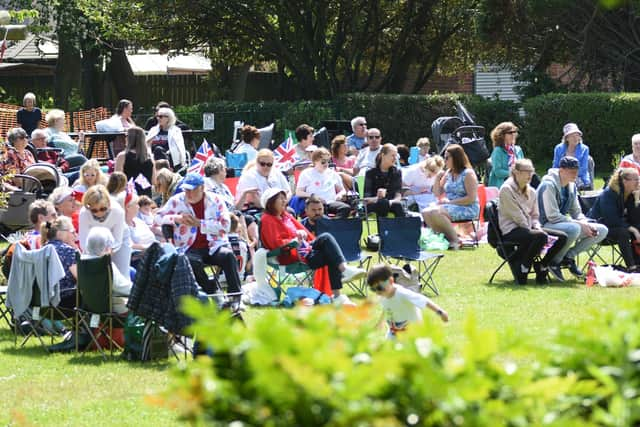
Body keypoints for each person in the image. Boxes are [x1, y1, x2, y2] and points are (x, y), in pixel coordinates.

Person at [259, 188, 365, 306]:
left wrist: (304, 237)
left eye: (284, 198)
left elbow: (303, 231)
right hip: (290, 256)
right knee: (326, 238)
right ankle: (344, 273)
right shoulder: (267, 219)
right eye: (280, 199)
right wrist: (294, 240)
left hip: (304, 249)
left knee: (329, 251)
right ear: (270, 202)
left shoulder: (285, 216)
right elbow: (275, 244)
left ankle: (337, 294)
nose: (284, 201)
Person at [154, 173, 242, 296]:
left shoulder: (216, 200)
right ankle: (211, 291)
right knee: (191, 261)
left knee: (228, 256)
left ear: (202, 187)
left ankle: (235, 296)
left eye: (192, 190)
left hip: (214, 245)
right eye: (186, 190)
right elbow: (157, 218)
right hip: (188, 246)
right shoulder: (177, 200)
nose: (188, 193)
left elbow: (226, 226)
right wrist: (177, 218)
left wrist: (200, 223)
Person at [498, 159, 568, 284]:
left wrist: (536, 226)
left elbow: (535, 215)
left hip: (528, 227)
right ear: (516, 172)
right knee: (541, 236)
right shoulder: (506, 190)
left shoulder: (531, 191)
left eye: (532, 171)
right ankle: (524, 268)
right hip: (511, 230)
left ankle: (543, 265)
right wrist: (534, 230)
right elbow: (517, 217)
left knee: (562, 237)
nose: (531, 175)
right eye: (527, 171)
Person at [537, 156, 608, 279]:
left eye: (576, 171)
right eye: (571, 171)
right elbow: (552, 216)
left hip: (562, 224)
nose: (575, 174)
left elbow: (576, 211)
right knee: (574, 228)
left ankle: (568, 256)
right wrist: (579, 224)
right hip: (544, 225)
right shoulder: (548, 184)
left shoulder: (571, 186)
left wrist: (585, 223)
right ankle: (554, 261)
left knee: (601, 230)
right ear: (561, 170)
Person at [421, 144, 479, 250]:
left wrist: (449, 203)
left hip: (468, 207)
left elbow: (471, 198)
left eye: (447, 157)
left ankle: (455, 241)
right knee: (426, 212)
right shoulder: (448, 173)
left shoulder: (468, 174)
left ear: (456, 158)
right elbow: (437, 193)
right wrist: (438, 178)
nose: (445, 160)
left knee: (436, 212)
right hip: (450, 206)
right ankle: (441, 239)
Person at [367, 264, 448, 339]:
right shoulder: (383, 295)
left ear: (391, 281)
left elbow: (424, 300)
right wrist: (380, 322)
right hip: (394, 332)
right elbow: (387, 307)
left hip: (413, 333)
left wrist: (440, 312)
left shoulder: (402, 294)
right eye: (373, 289)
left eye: (380, 287)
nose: (377, 292)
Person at [587, 168, 640, 271]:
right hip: (598, 229)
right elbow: (612, 220)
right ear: (625, 181)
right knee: (624, 232)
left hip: (616, 227)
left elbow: (635, 219)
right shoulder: (609, 194)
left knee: (637, 227)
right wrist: (633, 229)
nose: (639, 182)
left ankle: (638, 263)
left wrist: (636, 200)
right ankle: (631, 266)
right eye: (636, 179)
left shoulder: (630, 193)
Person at [78, 185, 130, 278]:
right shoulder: (84, 213)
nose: (99, 213)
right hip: (95, 242)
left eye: (103, 209)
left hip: (119, 239)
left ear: (108, 204)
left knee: (122, 273)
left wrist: (109, 252)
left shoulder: (118, 211)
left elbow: (117, 240)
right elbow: (84, 242)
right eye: (94, 210)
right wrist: (96, 257)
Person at [83, 226, 132, 315]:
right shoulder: (105, 264)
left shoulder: (83, 261)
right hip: (113, 309)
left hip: (89, 307)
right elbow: (124, 288)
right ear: (106, 247)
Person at [295, 147, 351, 218]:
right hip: (316, 204)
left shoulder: (332, 173)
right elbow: (299, 192)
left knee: (345, 208)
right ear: (315, 161)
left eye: (328, 161)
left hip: (331, 202)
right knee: (320, 212)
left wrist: (339, 195)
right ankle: (330, 225)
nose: (326, 164)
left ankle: (333, 225)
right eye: (323, 162)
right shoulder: (306, 173)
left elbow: (342, 190)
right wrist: (313, 196)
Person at [40, 216, 79, 310]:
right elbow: (81, 278)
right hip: (64, 301)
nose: (76, 235)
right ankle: (87, 324)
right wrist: (76, 249)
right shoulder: (67, 251)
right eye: (72, 232)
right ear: (60, 233)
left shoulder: (42, 250)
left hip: (43, 301)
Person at [363, 143, 406, 217]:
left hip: (391, 203)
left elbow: (398, 196)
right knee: (382, 203)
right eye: (392, 156)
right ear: (383, 155)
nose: (395, 159)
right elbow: (366, 199)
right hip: (374, 204)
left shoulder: (397, 172)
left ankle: (403, 228)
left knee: (397, 205)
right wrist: (378, 198)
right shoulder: (370, 173)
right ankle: (384, 228)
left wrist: (389, 202)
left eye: (396, 156)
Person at [115, 126, 155, 197]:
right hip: (146, 196)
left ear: (130, 138)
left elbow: (117, 180)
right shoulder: (150, 157)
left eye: (126, 135)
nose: (125, 138)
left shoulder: (122, 156)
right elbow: (153, 181)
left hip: (129, 196)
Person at [552, 123, 592, 190]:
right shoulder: (558, 148)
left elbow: (583, 170)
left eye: (577, 135)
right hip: (562, 177)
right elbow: (555, 166)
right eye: (573, 136)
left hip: (579, 178)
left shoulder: (585, 149)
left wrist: (570, 175)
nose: (576, 138)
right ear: (567, 138)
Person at [488, 122, 524, 188]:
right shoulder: (498, 151)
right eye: (510, 132)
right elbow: (498, 172)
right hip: (502, 185)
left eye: (515, 132)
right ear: (501, 135)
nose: (513, 134)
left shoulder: (518, 149)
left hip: (518, 182)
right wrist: (514, 173)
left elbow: (523, 167)